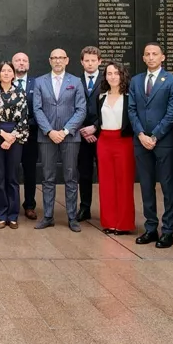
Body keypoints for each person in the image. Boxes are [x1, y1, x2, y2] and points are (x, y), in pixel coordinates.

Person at [127, 42, 173, 248]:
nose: (151, 57)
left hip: (164, 142)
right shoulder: (136, 81)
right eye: (147, 54)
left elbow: (172, 113)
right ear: (143, 58)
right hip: (141, 141)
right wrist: (141, 134)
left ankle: (167, 231)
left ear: (163, 57)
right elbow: (131, 109)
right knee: (146, 187)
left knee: (168, 187)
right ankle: (150, 227)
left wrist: (155, 136)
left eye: (155, 54)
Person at [32, 47, 87, 232]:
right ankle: (48, 216)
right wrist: (49, 131)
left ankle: (72, 217)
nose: (57, 61)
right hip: (47, 137)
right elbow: (37, 109)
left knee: (71, 177)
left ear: (67, 60)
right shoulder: (40, 82)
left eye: (60, 58)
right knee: (48, 177)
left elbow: (81, 110)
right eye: (54, 58)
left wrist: (64, 131)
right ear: (49, 60)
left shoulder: (76, 82)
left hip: (70, 137)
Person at [0, 61, 29, 228]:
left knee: (12, 177)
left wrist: (11, 138)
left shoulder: (20, 93)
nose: (7, 73)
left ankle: (13, 214)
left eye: (10, 71)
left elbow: (24, 118)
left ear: (14, 74)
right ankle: (1, 214)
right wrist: (2, 135)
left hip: (15, 137)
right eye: (4, 71)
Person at [94, 62, 135, 235]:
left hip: (123, 141)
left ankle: (124, 224)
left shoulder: (129, 96)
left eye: (116, 73)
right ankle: (109, 222)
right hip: (104, 141)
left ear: (122, 75)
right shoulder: (101, 96)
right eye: (109, 73)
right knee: (106, 183)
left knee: (124, 182)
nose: (112, 76)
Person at [74, 47, 104, 223]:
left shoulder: (107, 80)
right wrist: (83, 128)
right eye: (87, 60)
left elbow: (113, 107)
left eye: (93, 60)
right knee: (84, 174)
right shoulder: (76, 81)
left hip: (102, 134)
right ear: (82, 62)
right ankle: (84, 207)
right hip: (81, 134)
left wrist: (95, 127)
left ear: (99, 61)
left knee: (104, 174)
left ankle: (106, 209)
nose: (90, 63)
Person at [13, 52, 41, 220]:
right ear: (12, 63)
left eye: (24, 60)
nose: (21, 63)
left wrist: (25, 125)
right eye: (18, 60)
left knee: (30, 171)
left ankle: (29, 205)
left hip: (31, 134)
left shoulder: (37, 83)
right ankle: (13, 203)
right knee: (12, 171)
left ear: (28, 65)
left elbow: (40, 108)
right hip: (10, 136)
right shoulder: (4, 82)